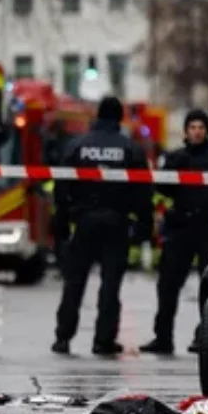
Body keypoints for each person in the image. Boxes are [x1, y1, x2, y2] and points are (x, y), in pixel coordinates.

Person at [53, 97, 152, 356]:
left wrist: (61, 221)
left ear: (97, 116)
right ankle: (103, 340)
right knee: (110, 285)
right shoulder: (131, 149)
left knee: (74, 282)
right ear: (119, 118)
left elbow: (62, 186)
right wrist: (144, 224)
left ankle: (63, 337)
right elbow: (143, 191)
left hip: (84, 221)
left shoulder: (77, 146)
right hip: (116, 223)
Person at [141, 109, 208, 355]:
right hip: (180, 227)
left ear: (207, 130)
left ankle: (206, 336)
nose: (197, 132)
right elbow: (162, 188)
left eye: (201, 127)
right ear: (186, 131)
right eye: (192, 127)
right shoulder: (175, 158)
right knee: (168, 285)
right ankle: (163, 337)